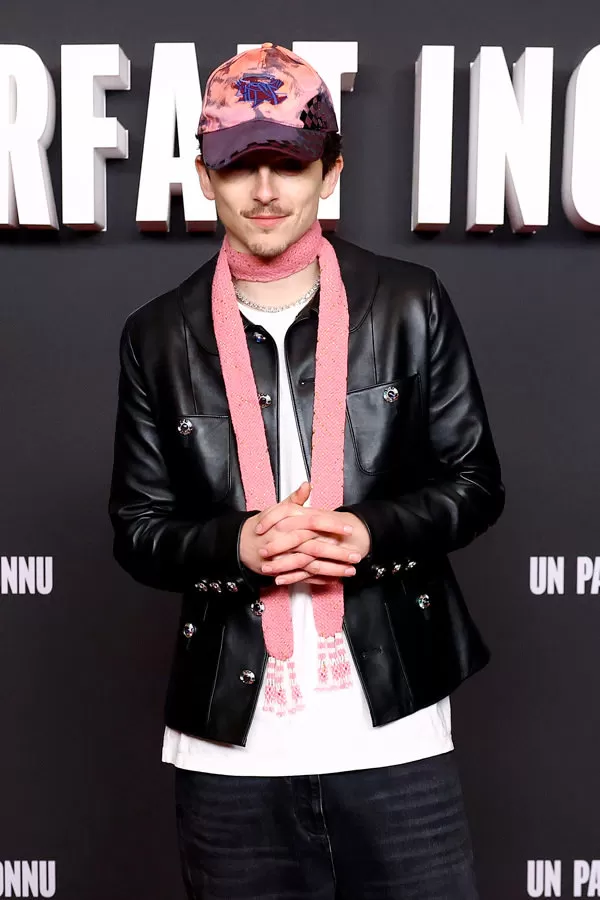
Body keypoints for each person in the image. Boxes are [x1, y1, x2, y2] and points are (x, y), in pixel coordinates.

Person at [108, 41, 505, 900]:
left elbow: (474, 482)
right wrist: (237, 546)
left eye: (288, 162)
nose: (265, 189)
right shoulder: (156, 335)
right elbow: (138, 530)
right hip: (229, 751)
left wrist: (369, 532)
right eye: (237, 164)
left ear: (330, 172)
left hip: (395, 734)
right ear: (204, 176)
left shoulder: (410, 301)